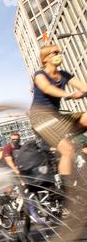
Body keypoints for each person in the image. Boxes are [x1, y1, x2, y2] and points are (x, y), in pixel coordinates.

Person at [30, 45, 87, 187]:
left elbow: (84, 87)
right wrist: (69, 94)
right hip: (40, 118)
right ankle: (66, 189)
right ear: (45, 58)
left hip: (57, 117)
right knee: (67, 150)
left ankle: (73, 147)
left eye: (59, 52)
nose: (58, 54)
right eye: (54, 52)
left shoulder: (64, 75)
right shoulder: (39, 75)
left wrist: (83, 91)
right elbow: (47, 88)